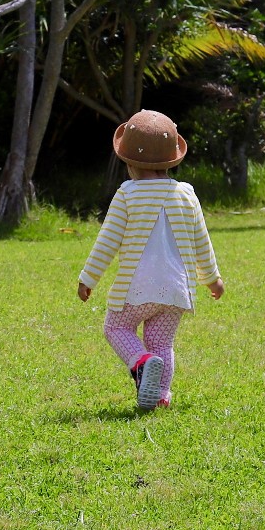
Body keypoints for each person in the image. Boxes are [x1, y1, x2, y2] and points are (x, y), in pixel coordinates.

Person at [76, 110, 224, 411]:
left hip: (138, 287)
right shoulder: (187, 194)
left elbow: (108, 241)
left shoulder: (128, 193)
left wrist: (88, 278)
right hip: (177, 290)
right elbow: (201, 241)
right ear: (172, 159)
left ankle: (142, 363)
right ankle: (160, 396)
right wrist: (213, 278)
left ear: (129, 161)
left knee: (116, 328)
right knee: (162, 343)